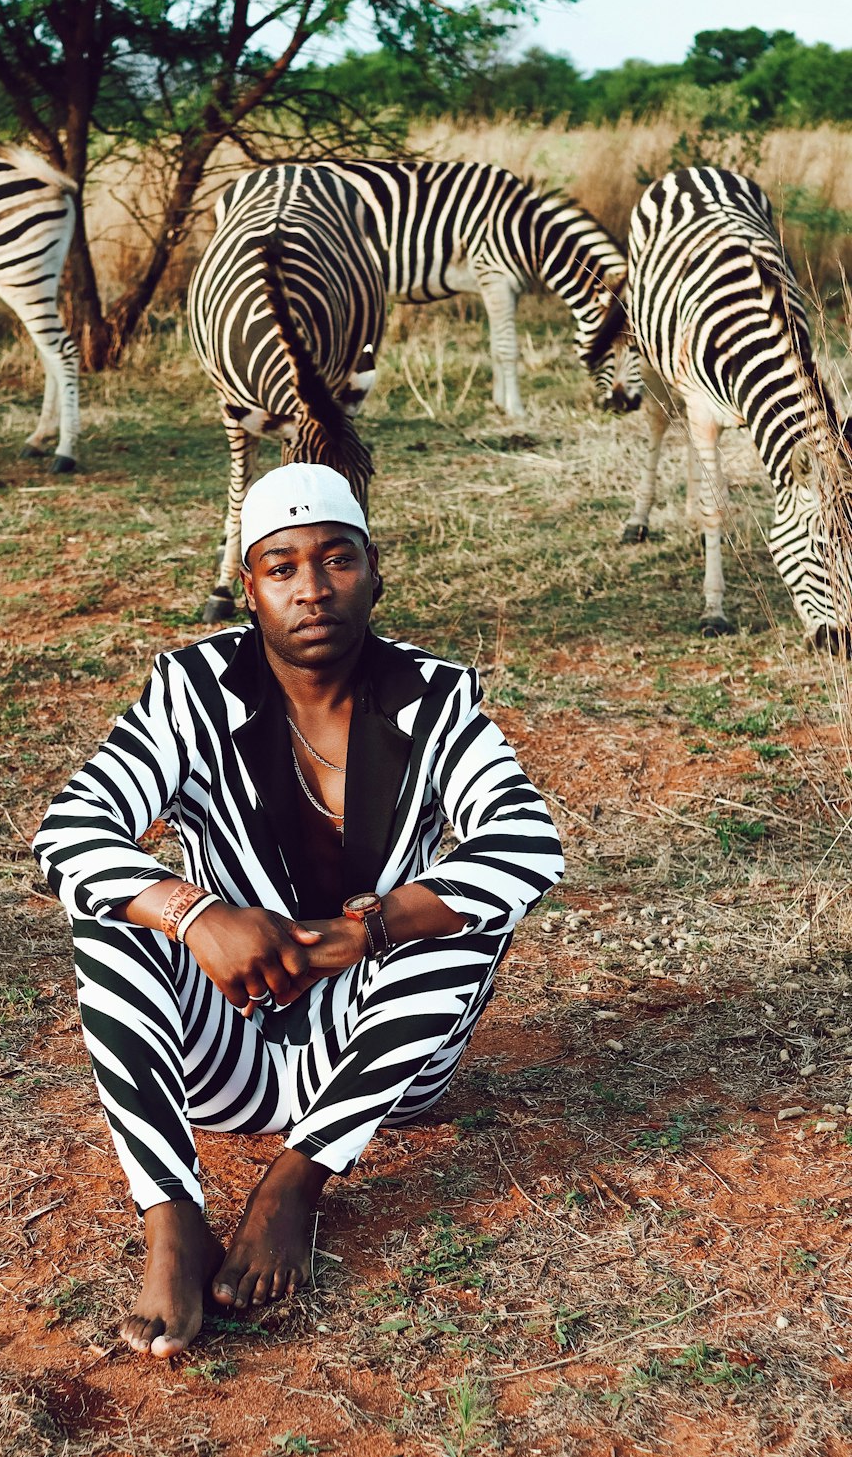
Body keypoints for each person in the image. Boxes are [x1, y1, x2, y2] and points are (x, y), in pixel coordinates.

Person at [34, 463, 564, 1359]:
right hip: (223, 1061)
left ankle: (294, 1186)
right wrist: (195, 914)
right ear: (250, 587)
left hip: (383, 1072)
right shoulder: (192, 688)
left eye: (336, 560)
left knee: (468, 911)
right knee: (112, 916)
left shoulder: (436, 696)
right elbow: (72, 827)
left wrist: (372, 930)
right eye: (281, 568)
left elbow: (527, 845)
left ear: (374, 571)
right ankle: (171, 1219)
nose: (311, 589)